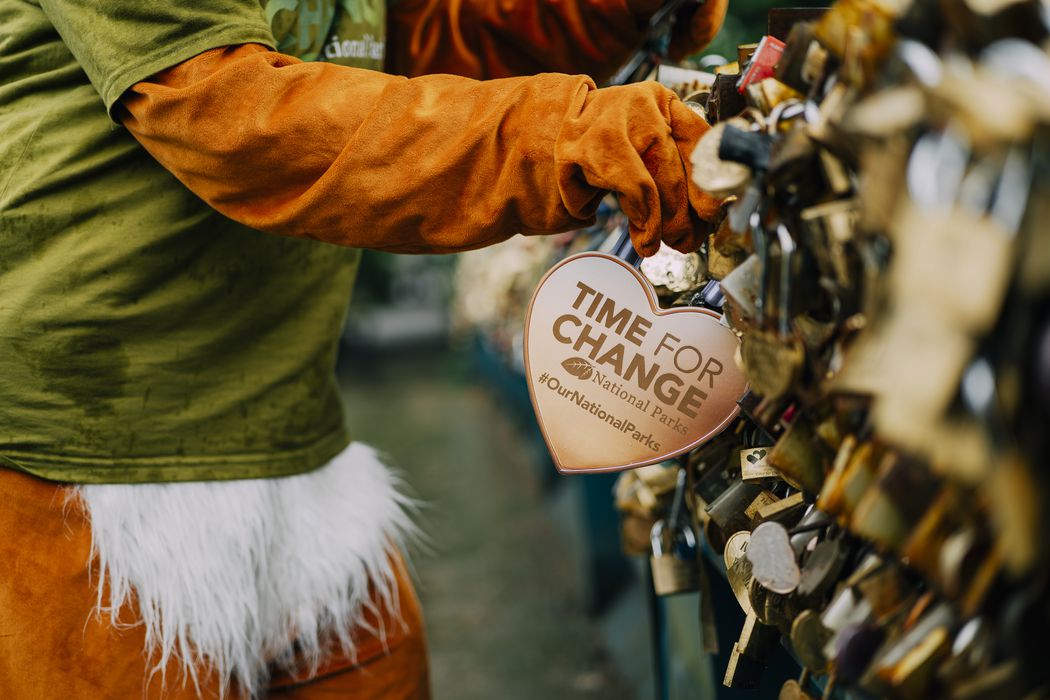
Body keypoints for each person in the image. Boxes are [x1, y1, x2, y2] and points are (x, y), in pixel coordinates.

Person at [0, 0, 727, 696]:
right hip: (80, 475)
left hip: (299, 442)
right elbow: (236, 119)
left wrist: (607, 8)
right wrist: (564, 138)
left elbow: (432, 44)